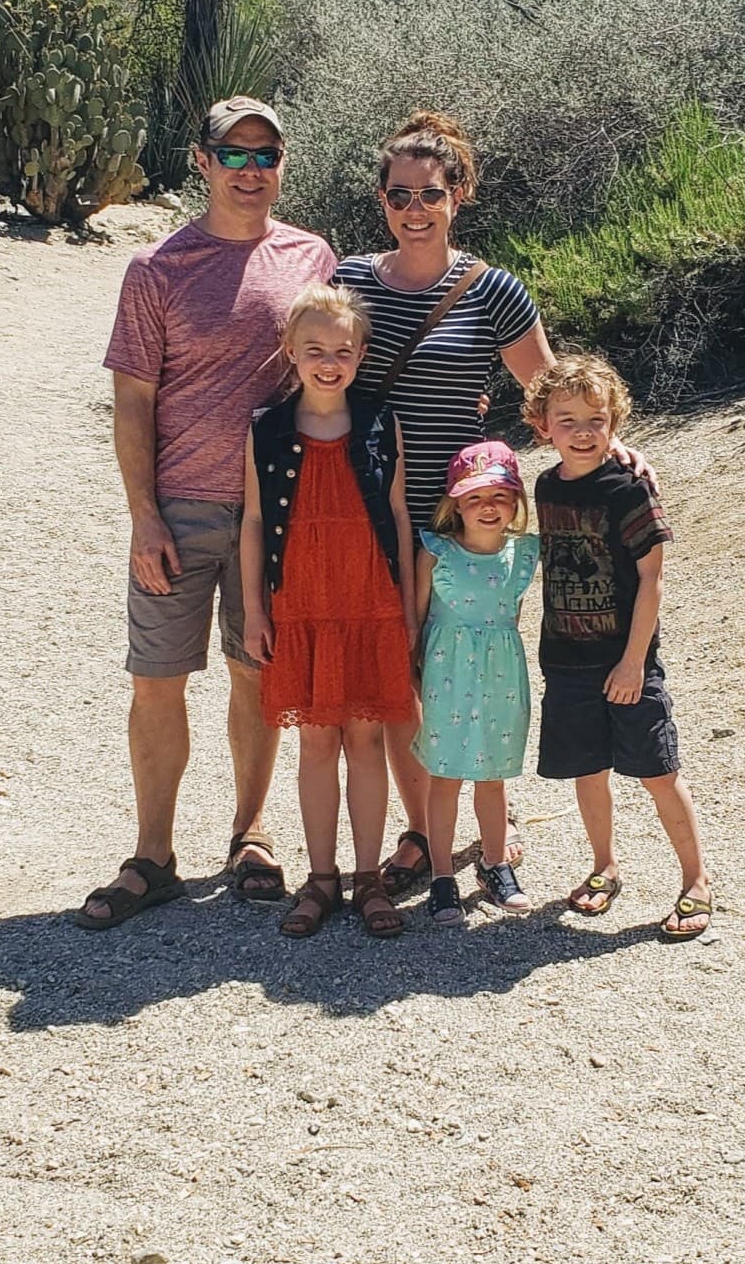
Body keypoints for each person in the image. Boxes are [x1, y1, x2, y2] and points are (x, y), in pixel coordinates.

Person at [82, 98, 336, 930]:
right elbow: (132, 401)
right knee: (157, 680)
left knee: (257, 674)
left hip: (281, 508)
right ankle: (152, 855)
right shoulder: (158, 268)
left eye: (267, 154)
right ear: (203, 162)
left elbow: (335, 368)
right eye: (236, 154)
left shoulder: (310, 256)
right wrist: (142, 515)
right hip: (181, 508)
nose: (252, 169)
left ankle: (250, 834)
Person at [331, 114, 549, 896]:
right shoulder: (351, 279)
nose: (414, 208)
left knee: (463, 667)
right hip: (368, 513)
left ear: (460, 195)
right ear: (381, 200)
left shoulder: (492, 288)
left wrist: (609, 447)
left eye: (432, 192)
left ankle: (486, 810)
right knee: (400, 679)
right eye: (400, 195)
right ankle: (427, 829)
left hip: (464, 523)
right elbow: (314, 371)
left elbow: (543, 390)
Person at [240, 284, 419, 940]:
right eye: (314, 349)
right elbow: (255, 521)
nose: (328, 361)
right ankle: (321, 879)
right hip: (302, 604)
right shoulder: (267, 429)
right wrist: (256, 608)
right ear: (290, 350)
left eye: (342, 350)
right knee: (316, 741)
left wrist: (405, 604)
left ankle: (369, 878)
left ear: (361, 353)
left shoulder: (380, 421)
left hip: (369, 601)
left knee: (367, 736)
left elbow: (397, 513)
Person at [522, 353, 712, 941]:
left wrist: (634, 661)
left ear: (615, 424)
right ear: (542, 425)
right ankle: (605, 865)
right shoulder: (546, 485)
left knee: (658, 771)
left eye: (596, 420)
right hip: (566, 659)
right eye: (567, 419)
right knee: (588, 770)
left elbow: (652, 578)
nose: (582, 432)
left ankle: (696, 881)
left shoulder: (628, 489)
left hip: (625, 661)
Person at [413, 441, 539, 925]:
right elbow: (417, 618)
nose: (488, 507)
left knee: (493, 776)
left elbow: (514, 615)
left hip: (502, 676)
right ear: (455, 505)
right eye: (474, 498)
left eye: (500, 496)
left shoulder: (524, 554)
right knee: (444, 776)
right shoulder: (436, 552)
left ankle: (495, 862)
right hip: (447, 675)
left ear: (516, 502)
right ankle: (442, 876)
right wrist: (413, 669)